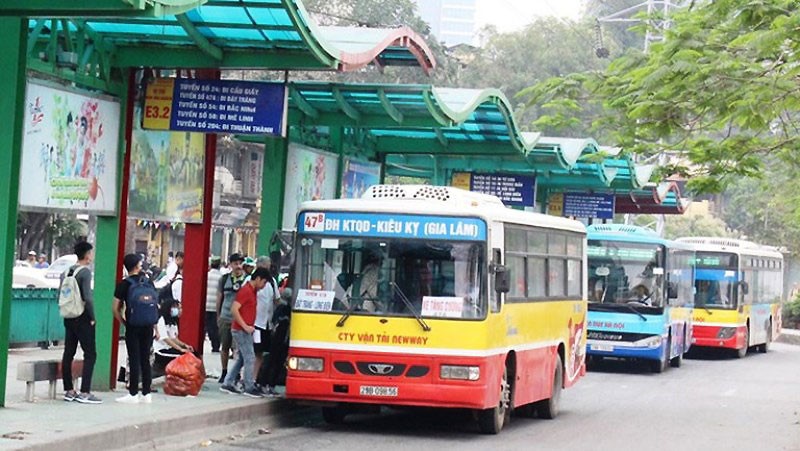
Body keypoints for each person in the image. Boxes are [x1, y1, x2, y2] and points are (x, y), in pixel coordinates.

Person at [220, 267, 271, 398]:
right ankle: (249, 386)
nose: (264, 286)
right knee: (250, 357)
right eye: (264, 282)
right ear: (258, 279)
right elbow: (234, 309)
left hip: (245, 329)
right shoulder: (246, 291)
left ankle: (228, 382)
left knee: (243, 358)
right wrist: (245, 326)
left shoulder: (252, 291)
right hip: (241, 330)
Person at [113, 254, 157, 404]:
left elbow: (115, 308)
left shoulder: (124, 284)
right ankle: (147, 393)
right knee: (145, 359)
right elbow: (154, 306)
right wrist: (155, 327)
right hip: (148, 325)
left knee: (134, 359)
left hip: (133, 325)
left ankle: (133, 394)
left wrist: (124, 322)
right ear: (138, 266)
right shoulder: (148, 282)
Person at [61, 241, 101, 404]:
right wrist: (92, 317)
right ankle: (85, 391)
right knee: (90, 354)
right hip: (83, 317)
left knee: (68, 352)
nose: (92, 256)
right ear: (86, 254)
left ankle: (69, 390)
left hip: (69, 316)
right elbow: (88, 298)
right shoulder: (85, 272)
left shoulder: (66, 272)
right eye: (91, 253)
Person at [217, 253, 246, 383]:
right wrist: (218, 315)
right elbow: (219, 297)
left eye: (240, 263)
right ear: (231, 265)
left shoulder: (246, 280)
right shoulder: (224, 279)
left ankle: (236, 373)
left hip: (239, 319)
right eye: (236, 263)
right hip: (225, 316)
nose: (238, 266)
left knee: (237, 348)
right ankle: (224, 372)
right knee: (225, 346)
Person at [253, 256, 279, 391]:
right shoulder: (249, 281)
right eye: (267, 265)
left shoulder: (272, 282)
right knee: (252, 353)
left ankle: (255, 379)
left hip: (266, 324)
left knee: (261, 353)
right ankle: (249, 380)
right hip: (254, 324)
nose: (269, 267)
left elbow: (276, 299)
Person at [153, 298, 194, 376]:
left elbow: (174, 338)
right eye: (176, 307)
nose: (179, 310)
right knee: (183, 356)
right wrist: (180, 349)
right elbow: (166, 339)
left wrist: (185, 345)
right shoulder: (161, 320)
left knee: (193, 352)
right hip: (160, 350)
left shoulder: (173, 321)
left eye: (180, 308)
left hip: (169, 348)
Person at [263, 287, 292, 396]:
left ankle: (267, 384)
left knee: (275, 362)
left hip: (280, 339)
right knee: (275, 362)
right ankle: (268, 384)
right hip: (280, 339)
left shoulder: (281, 307)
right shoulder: (284, 308)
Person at [205, 256, 223, 353]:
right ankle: (215, 346)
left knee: (207, 327)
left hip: (206, 305)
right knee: (215, 327)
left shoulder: (207, 275)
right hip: (216, 306)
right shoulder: (221, 276)